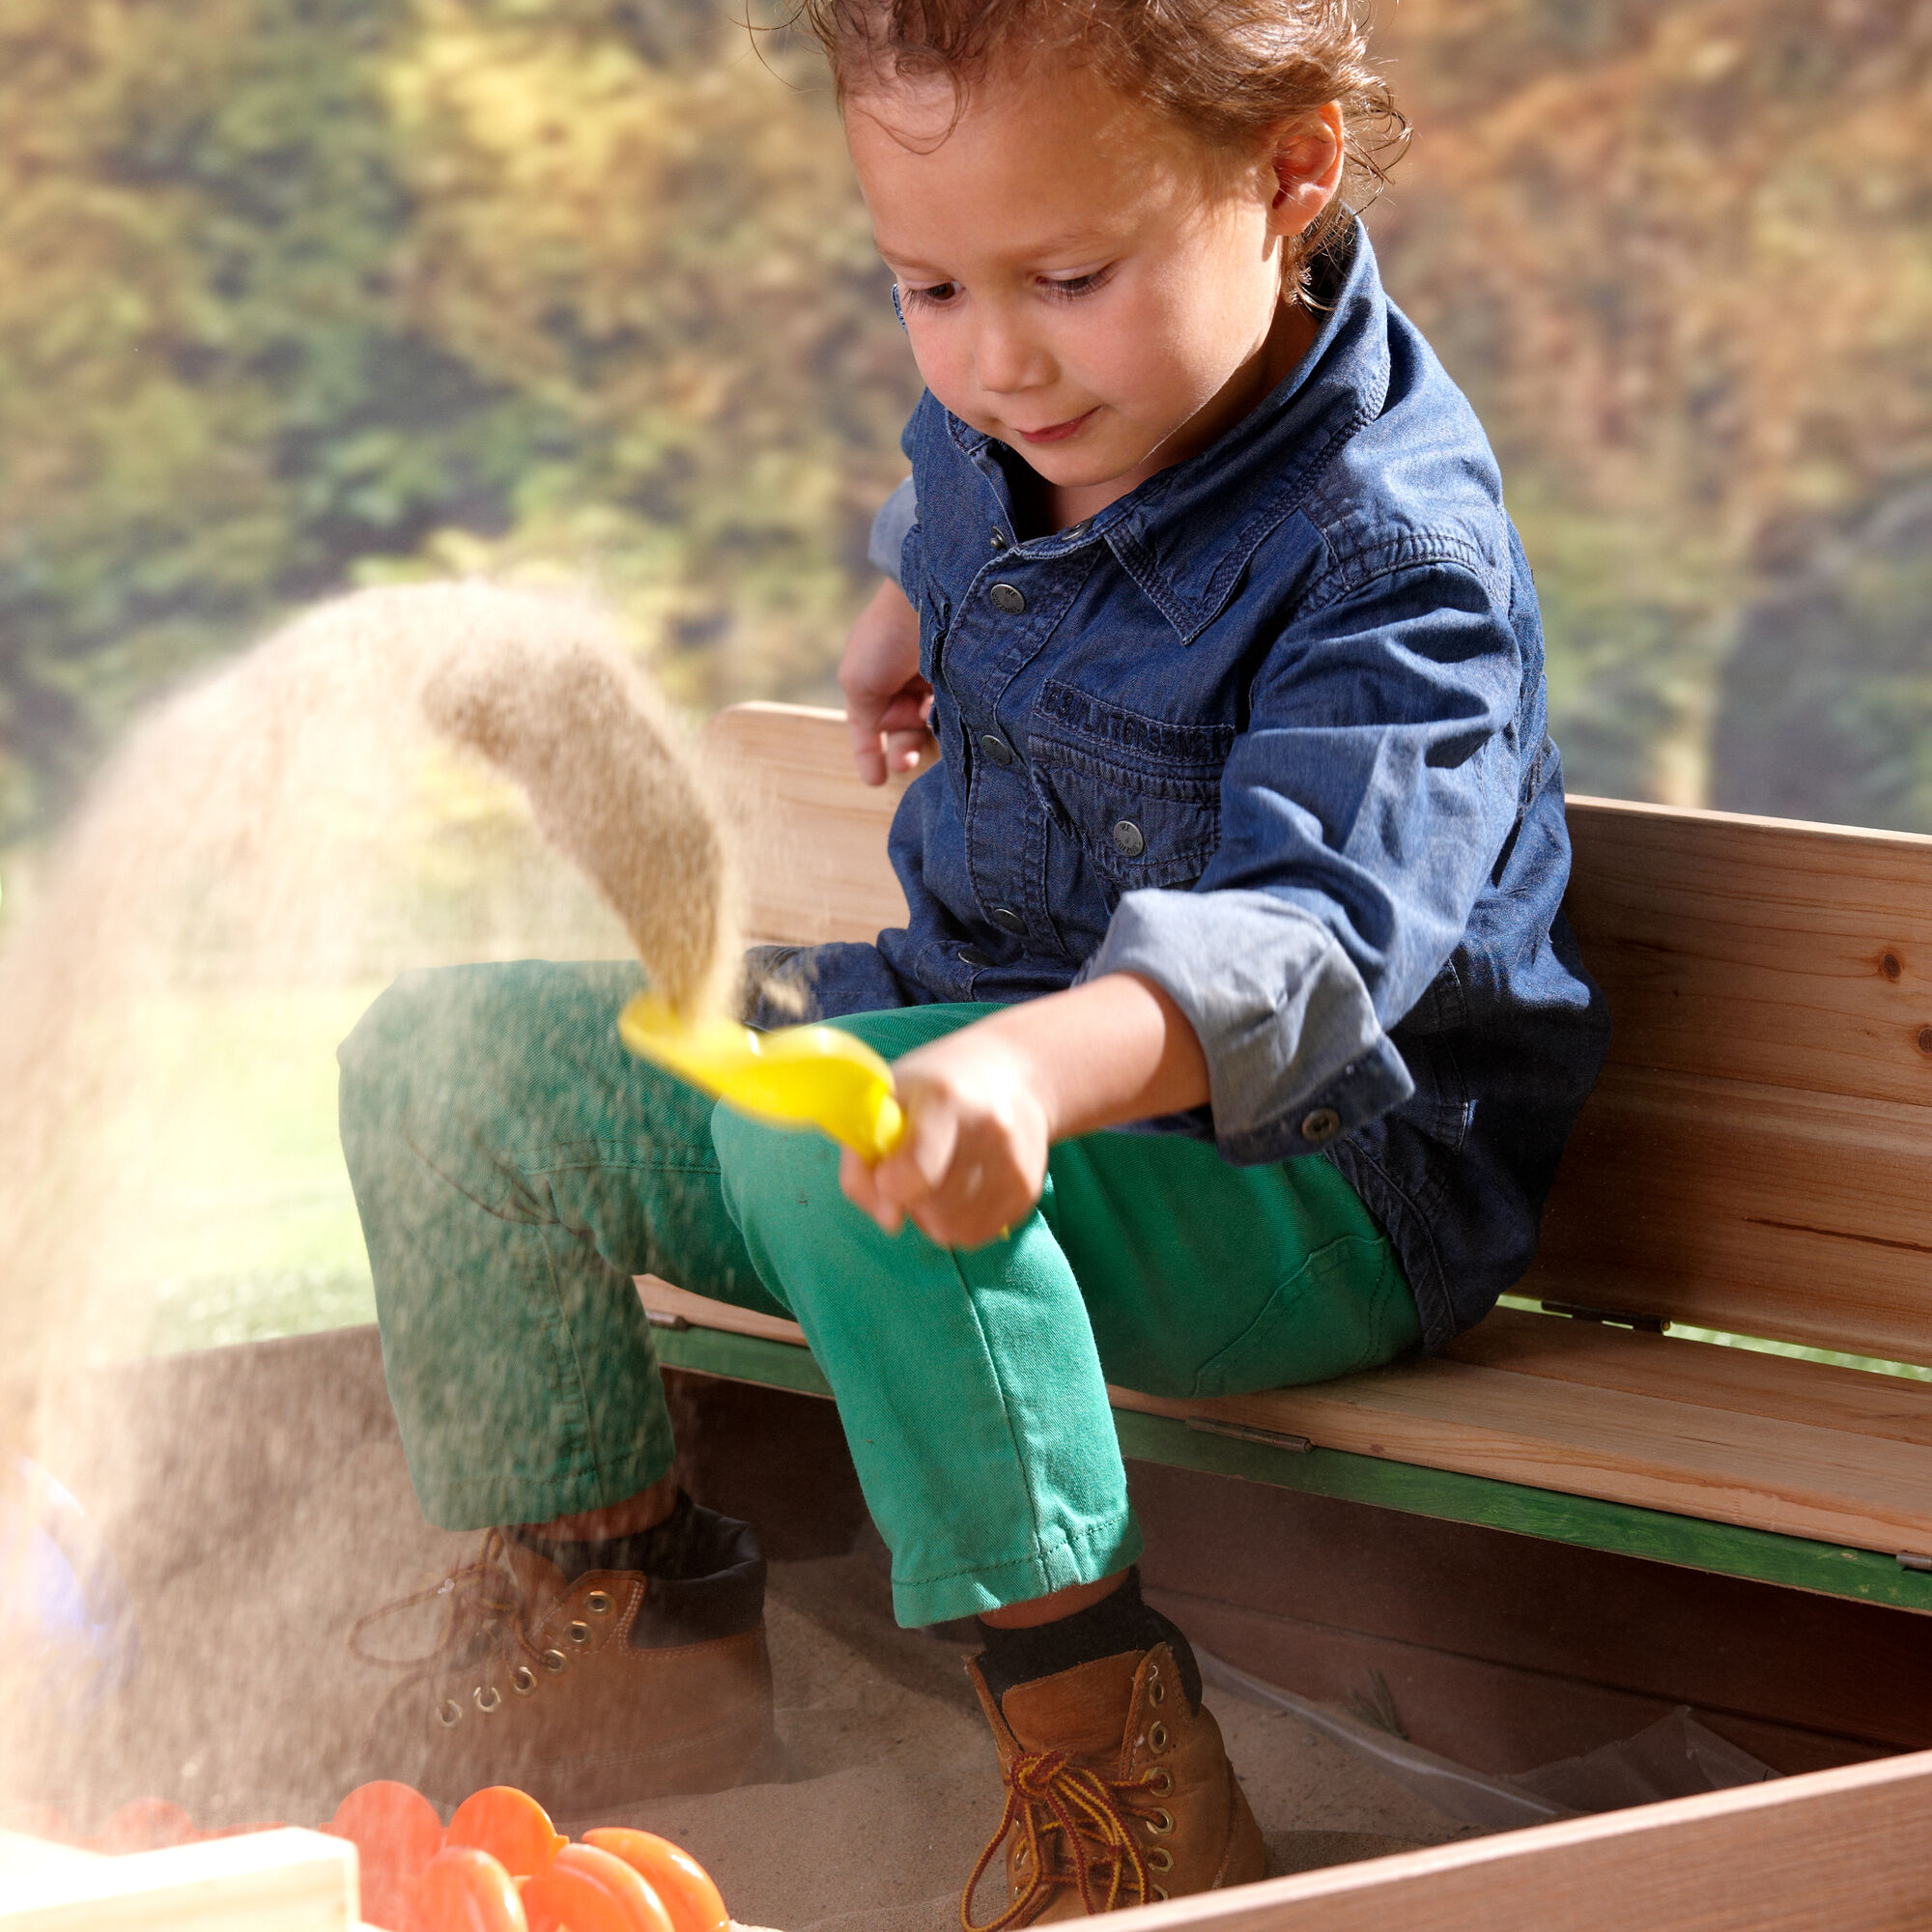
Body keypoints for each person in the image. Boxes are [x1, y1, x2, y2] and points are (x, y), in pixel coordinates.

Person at [337, 0, 1609, 1918]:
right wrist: (901, 601)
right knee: (452, 1059)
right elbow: (962, 480)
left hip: (1304, 1187)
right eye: (925, 283)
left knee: (842, 1152)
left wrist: (1023, 1073)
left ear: (1288, 175)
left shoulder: (1387, 556)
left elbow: (1312, 934)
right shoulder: (1055, 390)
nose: (993, 355)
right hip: (963, 1042)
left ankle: (1115, 1763)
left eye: (1065, 278)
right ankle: (628, 1632)